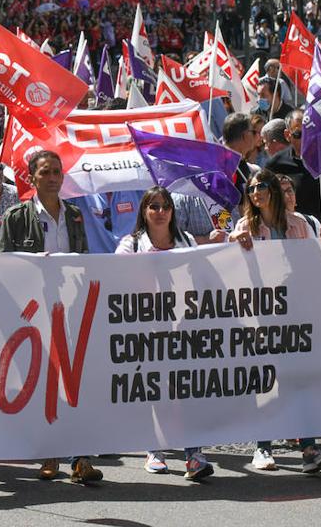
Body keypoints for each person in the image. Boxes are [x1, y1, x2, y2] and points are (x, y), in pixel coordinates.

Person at [0, 150, 99, 485]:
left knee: (75, 381)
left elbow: (84, 258)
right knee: (45, 382)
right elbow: (4, 264)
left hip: (70, 308)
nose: (54, 177)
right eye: (46, 172)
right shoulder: (16, 216)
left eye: (57, 171)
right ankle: (49, 454)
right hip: (35, 310)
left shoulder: (75, 215)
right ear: (32, 177)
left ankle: (81, 456)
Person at [231, 170, 321, 474]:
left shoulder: (299, 225)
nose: (255, 192)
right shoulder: (245, 226)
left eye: (261, 186)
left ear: (274, 190)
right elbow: (228, 263)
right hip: (261, 314)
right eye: (250, 188)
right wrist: (232, 241)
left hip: (296, 312)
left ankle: (309, 448)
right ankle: (262, 448)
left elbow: (315, 264)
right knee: (267, 380)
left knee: (299, 379)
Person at [114, 187, 212, 481]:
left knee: (187, 390)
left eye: (165, 206)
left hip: (183, 326)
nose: (160, 212)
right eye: (153, 206)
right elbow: (117, 281)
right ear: (143, 211)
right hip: (146, 328)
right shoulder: (129, 245)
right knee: (153, 390)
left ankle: (193, 454)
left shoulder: (188, 241)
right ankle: (154, 449)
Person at [267, 109, 321, 235]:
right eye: (298, 134)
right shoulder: (276, 165)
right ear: (287, 135)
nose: (306, 139)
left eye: (310, 133)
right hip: (297, 238)